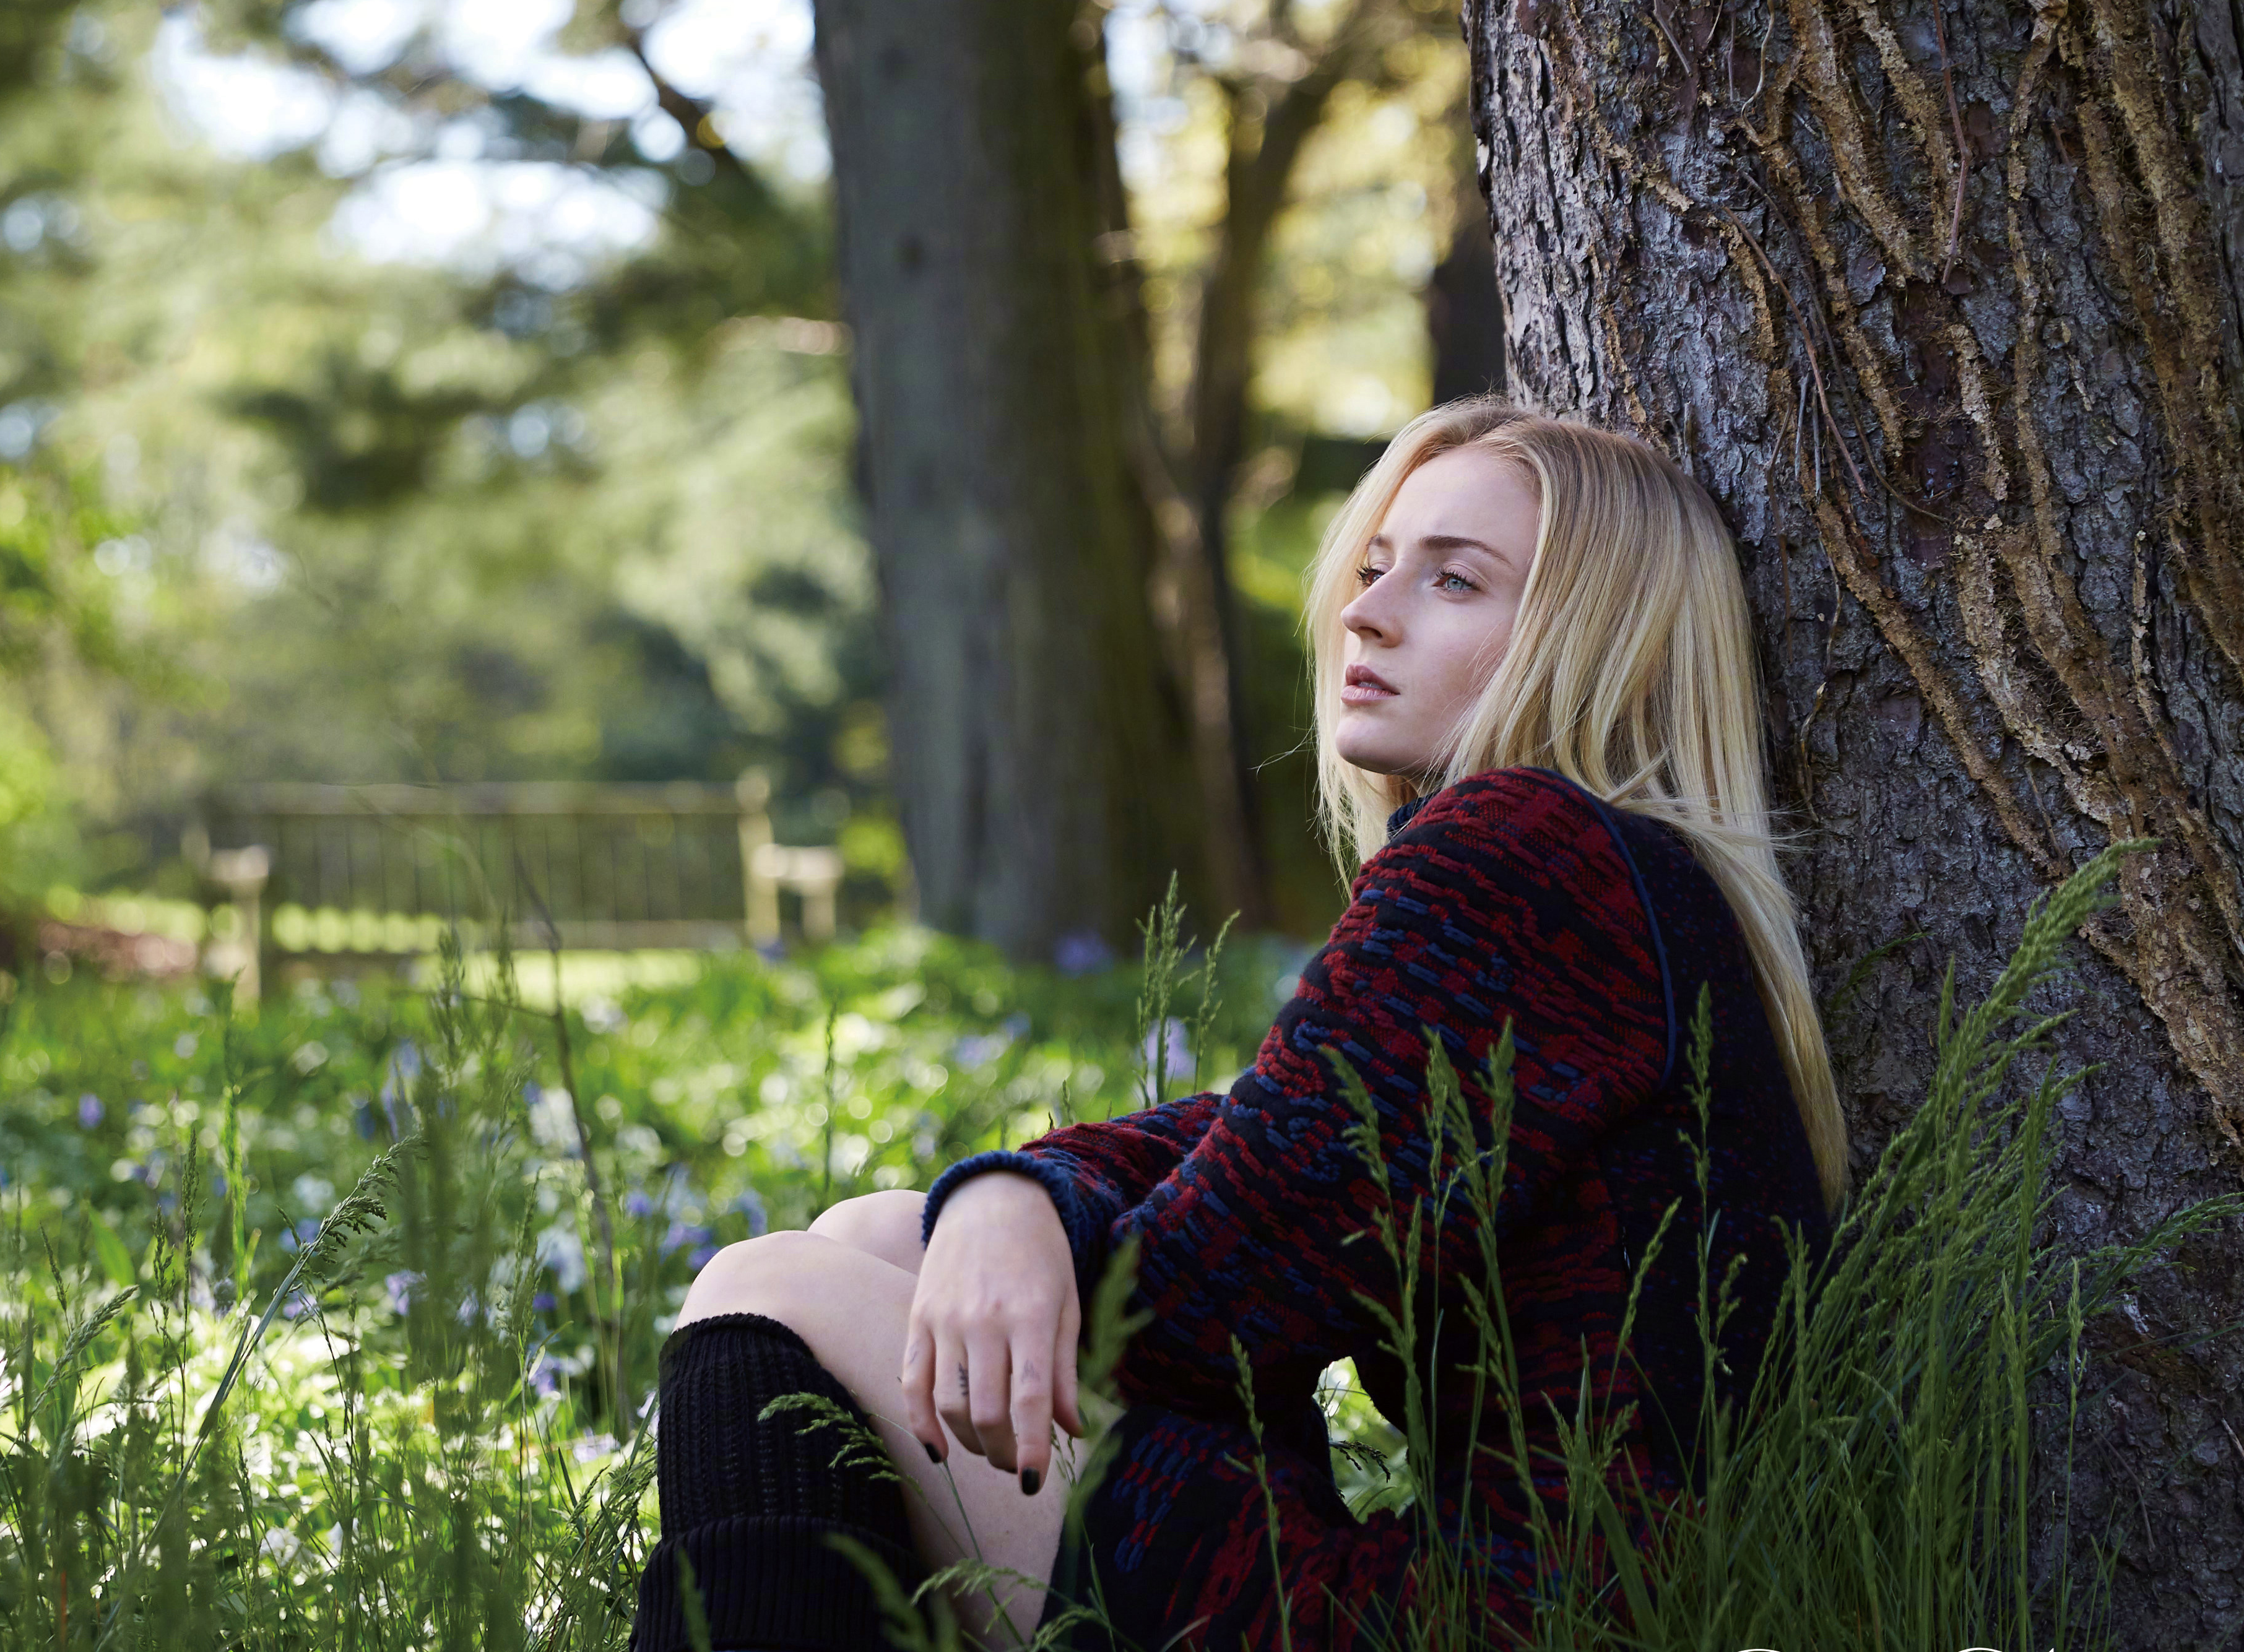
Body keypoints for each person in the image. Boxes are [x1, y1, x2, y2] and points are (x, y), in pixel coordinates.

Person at [626, 399, 1845, 1652]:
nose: (1365, 613)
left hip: (1455, 1625)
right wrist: (1012, 1198)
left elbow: (1211, 1304)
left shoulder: (1517, 854)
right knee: (878, 1237)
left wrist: (1013, 1227)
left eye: (1452, 581)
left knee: (767, 1286)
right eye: (1373, 568)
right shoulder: (1618, 882)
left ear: (1591, 633)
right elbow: (1253, 1141)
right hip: (1572, 1610)